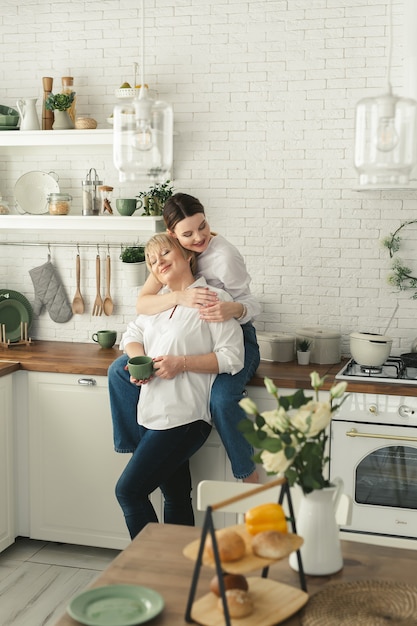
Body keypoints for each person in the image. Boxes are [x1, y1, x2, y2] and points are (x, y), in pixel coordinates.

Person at [108, 192, 261, 482]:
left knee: (222, 400)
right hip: (197, 330)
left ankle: (247, 475)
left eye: (202, 226)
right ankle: (139, 449)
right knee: (118, 371)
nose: (199, 237)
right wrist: (180, 296)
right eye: (188, 233)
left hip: (238, 330)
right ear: (173, 235)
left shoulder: (224, 256)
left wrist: (233, 308)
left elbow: (253, 306)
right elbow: (143, 304)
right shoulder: (169, 253)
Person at [115, 233, 244, 539]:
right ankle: (183, 575)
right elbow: (130, 335)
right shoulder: (157, 304)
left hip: (185, 419)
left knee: (129, 492)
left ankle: (151, 569)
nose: (158, 263)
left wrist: (181, 363)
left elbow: (232, 357)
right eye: (152, 261)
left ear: (187, 255)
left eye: (164, 254)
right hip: (152, 416)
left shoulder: (211, 298)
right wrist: (139, 362)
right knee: (175, 496)